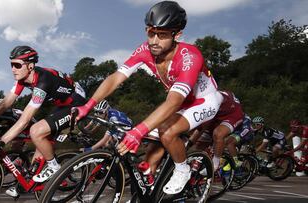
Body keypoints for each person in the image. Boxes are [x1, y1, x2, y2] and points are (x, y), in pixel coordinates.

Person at [74, 1, 223, 194]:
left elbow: (173, 101)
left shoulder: (190, 56)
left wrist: (137, 131)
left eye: (162, 35)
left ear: (176, 35)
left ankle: (182, 168)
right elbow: (116, 78)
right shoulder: (145, 50)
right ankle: (148, 191)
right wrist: (89, 105)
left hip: (204, 101)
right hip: (180, 102)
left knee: (166, 131)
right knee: (148, 158)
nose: (154, 41)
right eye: (151, 33)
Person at [0, 45, 86, 197]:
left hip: (78, 103)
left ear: (30, 66)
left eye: (17, 65)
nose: (13, 69)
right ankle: (27, 183)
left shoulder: (43, 80)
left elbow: (24, 119)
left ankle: (54, 167)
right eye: (12, 64)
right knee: (40, 143)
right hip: (62, 105)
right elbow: (5, 103)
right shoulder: (22, 79)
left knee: (35, 131)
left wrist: (2, 141)